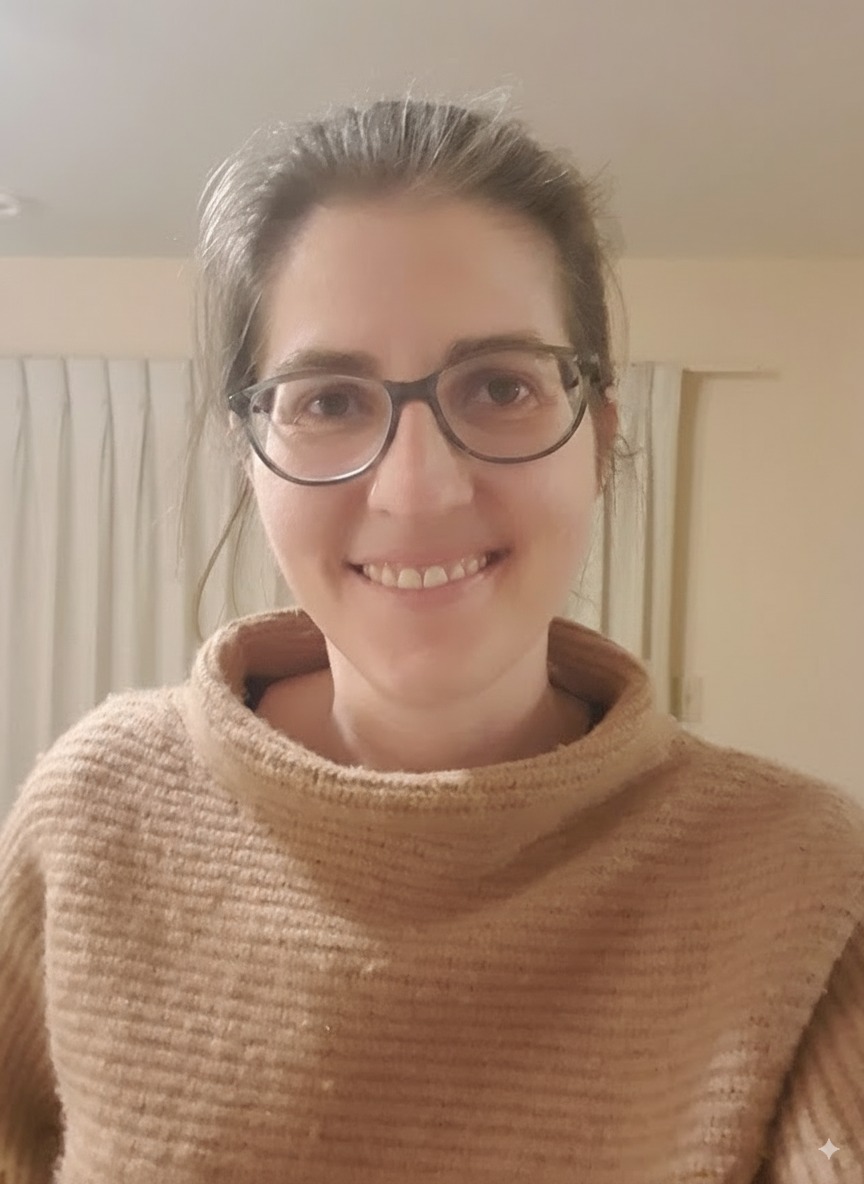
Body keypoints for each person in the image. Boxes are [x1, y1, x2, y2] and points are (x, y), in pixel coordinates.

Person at [1, 93, 862, 1184]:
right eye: (328, 401)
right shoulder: (95, 816)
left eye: (500, 386)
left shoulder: (800, 878)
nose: (417, 489)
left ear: (599, 438)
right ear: (251, 457)